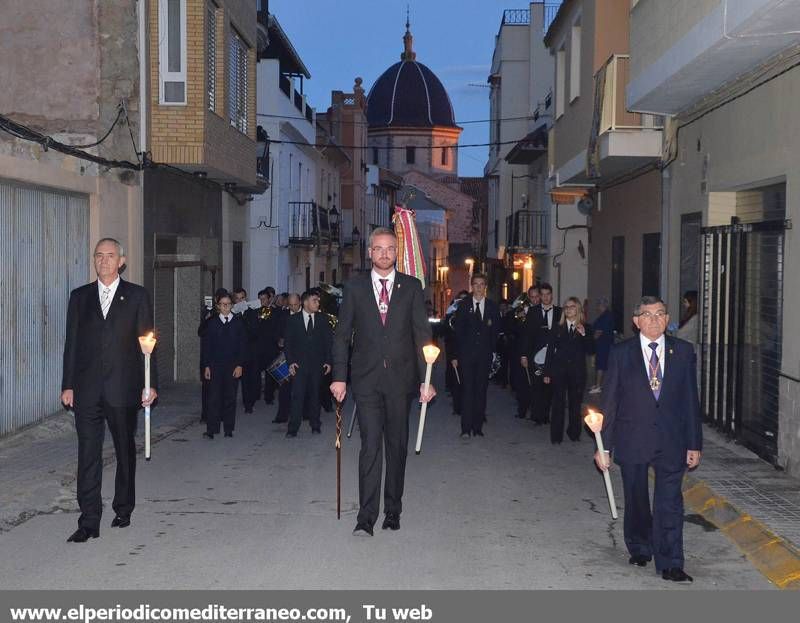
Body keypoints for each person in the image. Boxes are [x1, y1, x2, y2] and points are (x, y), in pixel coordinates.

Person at [330, 226, 435, 537]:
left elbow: (422, 335)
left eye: (390, 248)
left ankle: (393, 510)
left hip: (401, 381)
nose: (385, 253)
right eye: (378, 248)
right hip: (366, 381)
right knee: (370, 446)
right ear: (370, 252)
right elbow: (342, 335)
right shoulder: (354, 288)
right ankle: (365, 516)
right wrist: (339, 376)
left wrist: (426, 379)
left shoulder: (412, 287)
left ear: (396, 252)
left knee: (397, 446)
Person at [595, 296, 702, 582]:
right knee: (637, 497)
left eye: (660, 314)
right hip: (632, 437)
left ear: (668, 319)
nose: (654, 319)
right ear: (636, 321)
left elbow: (690, 400)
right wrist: (603, 447)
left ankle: (671, 562)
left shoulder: (683, 351)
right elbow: (610, 402)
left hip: (671, 439)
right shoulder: (621, 354)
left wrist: (694, 443)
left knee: (670, 502)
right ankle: (641, 546)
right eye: (648, 314)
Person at [61, 238, 158, 543]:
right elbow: (72, 344)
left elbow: (148, 343)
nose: (103, 260)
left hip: (123, 387)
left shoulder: (137, 296)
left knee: (124, 449)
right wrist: (68, 384)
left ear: (122, 261)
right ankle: (89, 521)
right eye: (99, 256)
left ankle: (123, 507)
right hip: (87, 390)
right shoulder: (80, 297)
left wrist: (150, 383)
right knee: (87, 454)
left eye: (110, 255)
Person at [451, 274, 500, 437]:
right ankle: (465, 428)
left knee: (481, 391)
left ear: (485, 287)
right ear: (472, 286)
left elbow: (495, 332)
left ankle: (477, 427)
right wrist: (455, 356)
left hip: (484, 356)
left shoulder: (492, 306)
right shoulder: (464, 306)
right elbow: (457, 333)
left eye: (482, 284)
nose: (479, 287)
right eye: (476, 284)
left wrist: (493, 352)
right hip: (466, 356)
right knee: (467, 391)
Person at [543, 297, 594, 443]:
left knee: (575, 403)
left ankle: (574, 432)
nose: (568, 309)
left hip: (577, 372)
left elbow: (591, 350)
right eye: (566, 307)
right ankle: (556, 436)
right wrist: (547, 372)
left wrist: (584, 334)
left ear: (578, 309)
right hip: (559, 370)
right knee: (558, 403)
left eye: (571, 307)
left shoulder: (586, 327)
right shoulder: (557, 327)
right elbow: (550, 350)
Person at [284, 289, 333, 437]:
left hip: (317, 365)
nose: (317, 303)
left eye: (318, 301)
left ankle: (315, 424)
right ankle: (293, 428)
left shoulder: (323, 319)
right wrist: (291, 362)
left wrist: (328, 361)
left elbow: (328, 342)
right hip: (299, 366)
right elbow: (288, 344)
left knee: (315, 396)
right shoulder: (293, 320)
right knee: (297, 396)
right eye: (314, 300)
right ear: (305, 302)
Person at [201, 293, 246, 439]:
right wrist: (207, 366)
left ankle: (228, 428)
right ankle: (211, 429)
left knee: (230, 397)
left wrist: (240, 365)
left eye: (228, 304)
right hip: (215, 365)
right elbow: (207, 346)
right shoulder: (212, 323)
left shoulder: (238, 323)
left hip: (232, 366)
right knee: (214, 398)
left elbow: (242, 346)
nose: (226, 307)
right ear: (218, 306)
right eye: (223, 304)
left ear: (232, 306)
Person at [521, 283, 561, 424]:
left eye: (547, 294)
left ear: (551, 295)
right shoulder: (533, 312)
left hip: (553, 356)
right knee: (537, 385)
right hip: (535, 355)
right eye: (542, 294)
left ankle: (546, 414)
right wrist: (524, 355)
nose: (545, 297)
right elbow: (527, 335)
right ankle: (537, 415)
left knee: (550, 386)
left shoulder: (559, 312)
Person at [513, 286, 541, 419]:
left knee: (536, 383)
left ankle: (536, 411)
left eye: (537, 296)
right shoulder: (523, 311)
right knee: (522, 382)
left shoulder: (544, 311)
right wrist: (521, 319)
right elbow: (519, 332)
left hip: (539, 352)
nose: (535, 299)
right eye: (532, 297)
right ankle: (522, 410)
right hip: (524, 351)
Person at [274, 293, 301, 424]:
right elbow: (277, 331)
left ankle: (302, 413)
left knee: (301, 387)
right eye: (290, 305)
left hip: (301, 357)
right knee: (284, 386)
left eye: (295, 305)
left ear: (300, 303)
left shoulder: (306, 316)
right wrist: (279, 339)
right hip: (286, 356)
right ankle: (282, 415)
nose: (293, 308)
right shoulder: (283, 316)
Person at [232, 287, 259, 413]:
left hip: (249, 352)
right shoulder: (232, 314)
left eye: (242, 298)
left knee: (248, 380)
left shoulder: (252, 313)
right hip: (234, 353)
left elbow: (254, 333)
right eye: (237, 299)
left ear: (246, 298)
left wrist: (242, 319)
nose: (240, 301)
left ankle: (249, 404)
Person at [589, 297, 614, 394]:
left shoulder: (606, 317)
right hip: (601, 344)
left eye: (598, 305)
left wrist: (591, 341)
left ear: (602, 306)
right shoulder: (604, 316)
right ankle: (597, 384)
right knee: (599, 364)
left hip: (604, 345)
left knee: (601, 365)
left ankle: (598, 386)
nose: (597, 307)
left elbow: (599, 331)